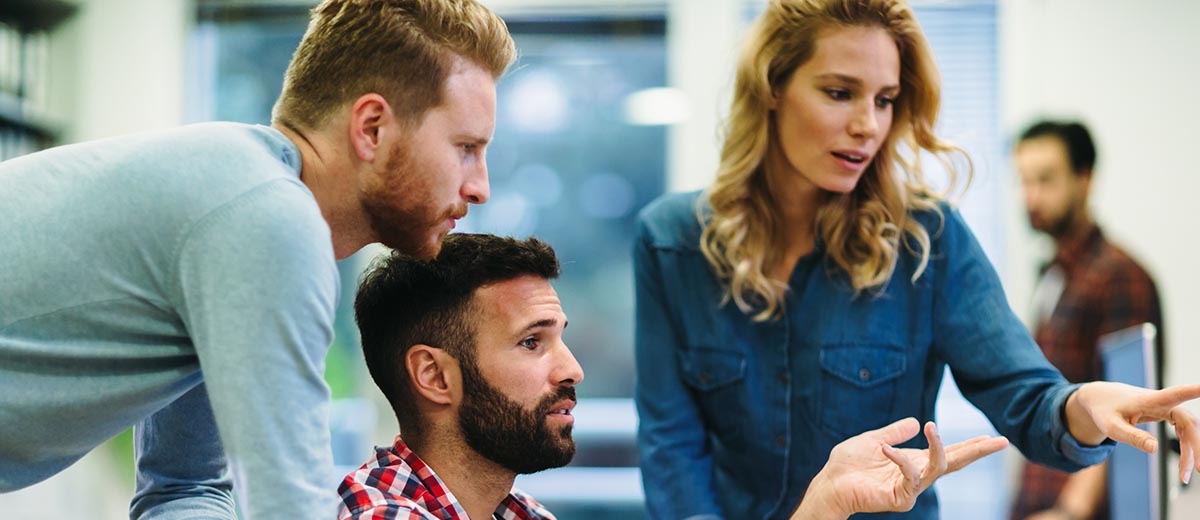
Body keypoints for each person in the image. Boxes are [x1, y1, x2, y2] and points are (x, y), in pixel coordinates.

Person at [631, 1, 1200, 519]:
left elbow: (1026, 398)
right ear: (773, 86)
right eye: (839, 92)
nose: (868, 125)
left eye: (884, 99)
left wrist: (1082, 402)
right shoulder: (670, 242)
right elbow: (672, 448)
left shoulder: (927, 240)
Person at [0, 0, 514, 518]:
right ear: (372, 128)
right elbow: (290, 508)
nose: (480, 188)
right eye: (465, 147)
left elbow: (184, 488)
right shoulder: (265, 217)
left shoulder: (232, 200)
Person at [341, 233, 1009, 520]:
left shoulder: (517, 511)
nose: (570, 368)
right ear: (434, 375)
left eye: (561, 339)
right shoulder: (383, 513)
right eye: (531, 343)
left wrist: (825, 502)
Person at [1009, 121, 1165, 520]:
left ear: (1084, 178)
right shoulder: (1054, 273)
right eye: (1024, 181)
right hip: (1038, 492)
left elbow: (1129, 409)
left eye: (1046, 179)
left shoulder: (1119, 275)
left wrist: (1069, 510)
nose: (1032, 196)